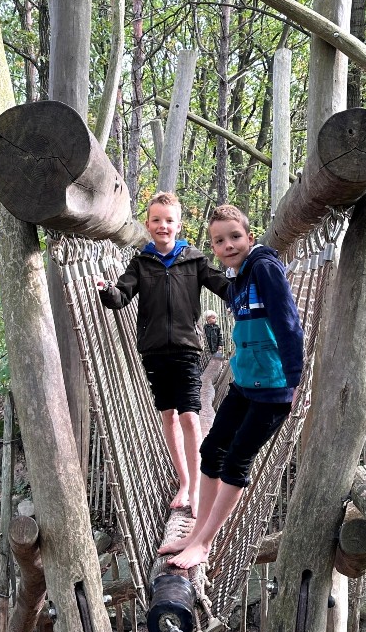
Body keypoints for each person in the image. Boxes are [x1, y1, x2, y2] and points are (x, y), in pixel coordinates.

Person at [161, 204, 303, 569]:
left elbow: (288, 323)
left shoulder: (265, 269)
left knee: (237, 457)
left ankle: (204, 543)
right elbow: (206, 276)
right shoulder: (237, 279)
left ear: (250, 237)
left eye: (235, 237)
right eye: (219, 241)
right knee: (212, 450)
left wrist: (296, 378)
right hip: (244, 384)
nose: (228, 245)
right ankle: (195, 532)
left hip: (272, 388)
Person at [97, 192, 229, 513]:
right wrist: (107, 291)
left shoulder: (193, 260)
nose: (163, 226)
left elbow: (223, 285)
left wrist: (250, 280)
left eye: (169, 221)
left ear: (179, 225)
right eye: (156, 220)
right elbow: (122, 294)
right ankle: (184, 483)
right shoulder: (141, 263)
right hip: (154, 352)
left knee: (190, 417)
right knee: (168, 416)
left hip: (186, 349)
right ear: (148, 223)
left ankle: (196, 490)